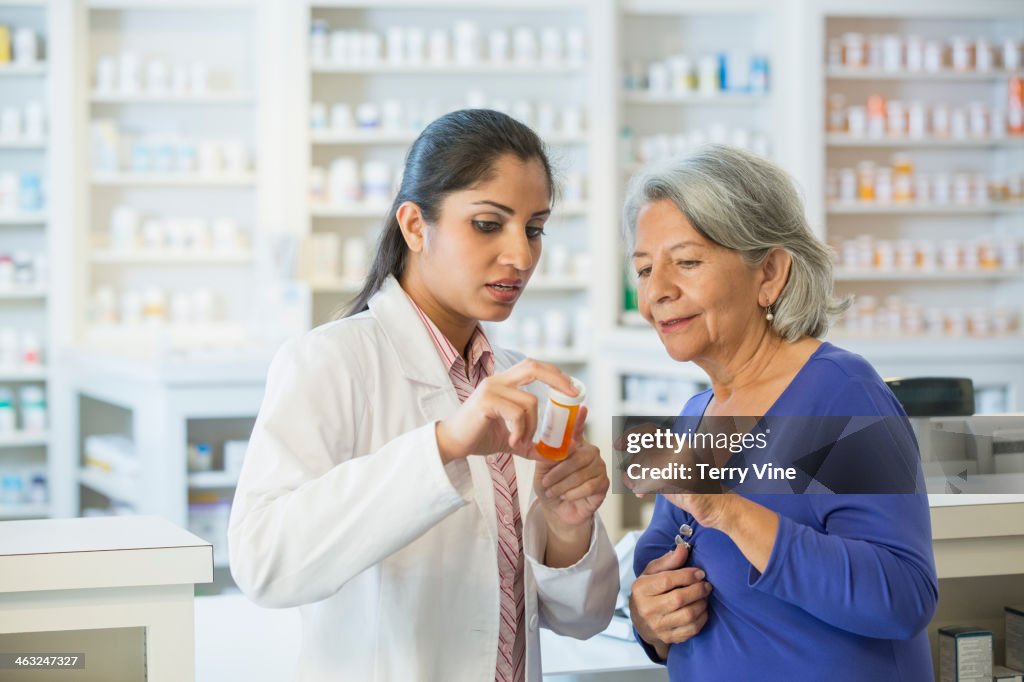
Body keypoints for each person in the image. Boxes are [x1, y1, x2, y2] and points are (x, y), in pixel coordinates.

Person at [229, 109, 617, 682]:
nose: (522, 255)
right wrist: (444, 446)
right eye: (489, 223)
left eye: (534, 228)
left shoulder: (518, 385)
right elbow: (264, 563)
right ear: (414, 225)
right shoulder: (330, 361)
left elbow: (580, 619)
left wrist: (567, 529)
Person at [623, 145, 938, 681]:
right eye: (645, 269)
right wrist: (649, 618)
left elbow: (903, 597)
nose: (657, 292)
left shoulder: (842, 393)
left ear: (769, 271)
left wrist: (726, 509)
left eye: (688, 262)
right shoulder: (696, 414)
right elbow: (657, 577)